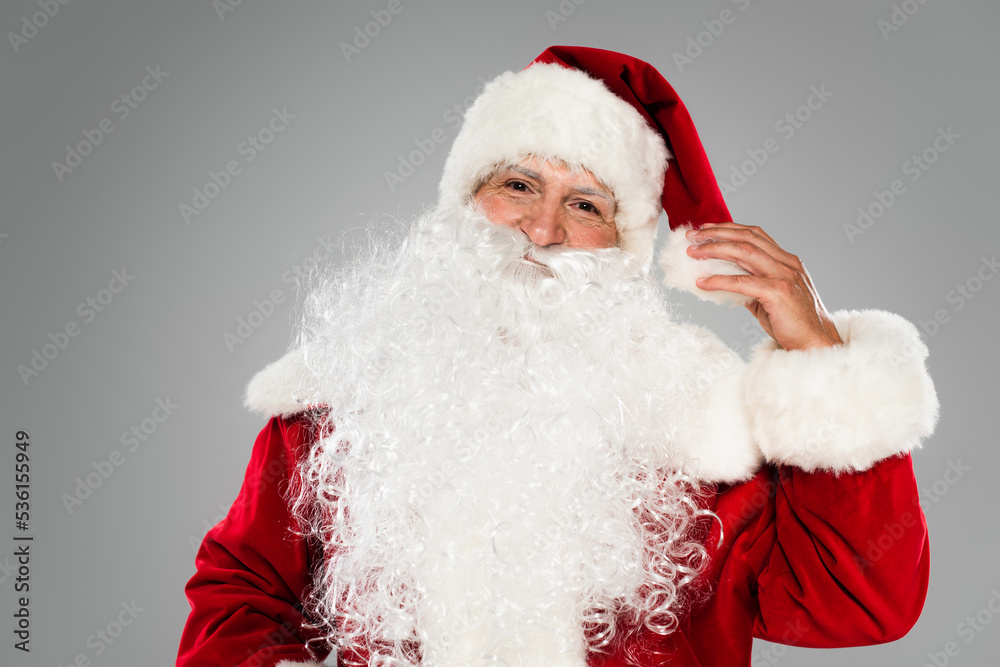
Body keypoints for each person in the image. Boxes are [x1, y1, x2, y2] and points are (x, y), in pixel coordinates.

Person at [177, 46, 939, 667]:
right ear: (464, 203)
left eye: (585, 204)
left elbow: (860, 601)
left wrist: (817, 353)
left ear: (624, 245)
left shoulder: (702, 436)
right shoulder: (342, 405)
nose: (541, 230)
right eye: (518, 184)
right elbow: (240, 593)